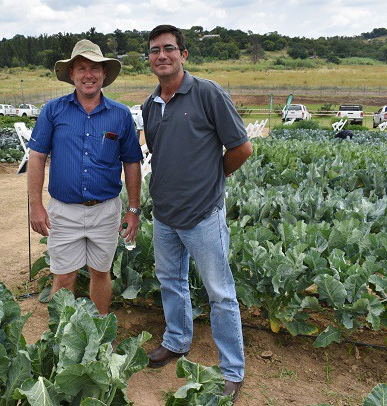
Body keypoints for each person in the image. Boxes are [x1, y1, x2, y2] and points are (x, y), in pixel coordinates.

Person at [141, 25, 253, 402]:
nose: (161, 56)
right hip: (165, 214)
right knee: (171, 281)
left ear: (183, 54)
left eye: (169, 48)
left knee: (220, 293)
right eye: (154, 50)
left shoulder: (208, 93)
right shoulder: (150, 104)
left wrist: (212, 178)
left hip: (204, 214)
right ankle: (176, 341)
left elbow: (241, 148)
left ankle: (232, 370)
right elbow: (159, 153)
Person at [27, 39, 143, 316]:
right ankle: (61, 333)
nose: (88, 75)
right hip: (64, 211)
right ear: (72, 74)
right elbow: (37, 157)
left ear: (104, 74)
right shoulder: (53, 111)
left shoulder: (120, 114)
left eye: (94, 68)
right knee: (64, 276)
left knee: (100, 272)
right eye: (81, 68)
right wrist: (36, 205)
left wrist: (134, 209)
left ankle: (99, 328)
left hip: (105, 211)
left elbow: (132, 162)